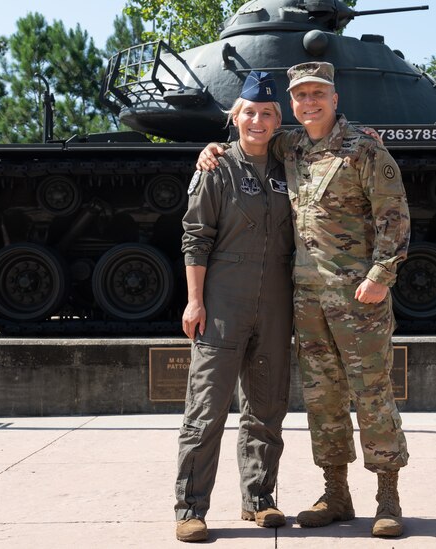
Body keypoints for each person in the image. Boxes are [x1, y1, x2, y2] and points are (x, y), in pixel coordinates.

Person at [198, 61, 411, 538]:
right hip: (308, 301)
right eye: (300, 96)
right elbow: (248, 137)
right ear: (291, 104)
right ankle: (336, 493)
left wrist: (381, 275)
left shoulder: (364, 149)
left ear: (335, 99)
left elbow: (393, 218)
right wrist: (212, 149)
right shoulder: (289, 144)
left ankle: (388, 496)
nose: (309, 102)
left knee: (372, 394)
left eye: (318, 94)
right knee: (323, 399)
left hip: (359, 298)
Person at [174, 71, 294, 543]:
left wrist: (365, 133)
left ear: (277, 120)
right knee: (206, 410)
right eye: (249, 112)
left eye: (267, 113)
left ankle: (260, 499)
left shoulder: (290, 166)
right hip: (223, 299)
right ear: (235, 117)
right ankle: (190, 507)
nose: (258, 121)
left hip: (276, 301)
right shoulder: (217, 167)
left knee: (267, 408)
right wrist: (194, 301)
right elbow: (195, 237)